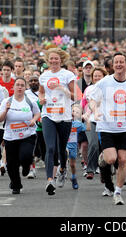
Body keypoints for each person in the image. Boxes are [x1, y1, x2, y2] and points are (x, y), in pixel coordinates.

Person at [90, 52, 126, 205]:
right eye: (116, 62)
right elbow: (92, 100)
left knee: (123, 160)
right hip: (107, 126)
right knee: (111, 159)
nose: (119, 64)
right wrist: (95, 111)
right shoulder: (105, 82)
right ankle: (102, 158)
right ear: (113, 65)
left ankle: (117, 192)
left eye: (122, 62)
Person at [38, 47, 77, 195]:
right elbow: (41, 92)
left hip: (65, 115)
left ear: (61, 60)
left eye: (56, 58)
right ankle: (49, 180)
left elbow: (75, 96)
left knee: (61, 148)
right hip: (48, 114)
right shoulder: (44, 75)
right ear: (47, 61)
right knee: (50, 148)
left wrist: (62, 88)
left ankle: (62, 169)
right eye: (51, 59)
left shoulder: (67, 75)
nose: (53, 61)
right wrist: (41, 99)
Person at [0, 77, 40, 194]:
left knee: (25, 156)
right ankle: (16, 184)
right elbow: (0, 119)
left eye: (22, 85)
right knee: (12, 163)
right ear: (14, 87)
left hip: (28, 134)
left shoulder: (29, 101)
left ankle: (27, 166)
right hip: (11, 136)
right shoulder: (7, 101)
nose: (20, 87)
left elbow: (37, 113)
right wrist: (6, 110)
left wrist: (33, 120)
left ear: (25, 87)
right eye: (18, 85)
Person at [82, 67, 107, 179]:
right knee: (93, 144)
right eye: (95, 76)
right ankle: (90, 169)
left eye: (99, 76)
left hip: (106, 120)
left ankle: (104, 170)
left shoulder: (108, 88)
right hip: (92, 120)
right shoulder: (89, 89)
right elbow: (87, 104)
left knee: (106, 146)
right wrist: (85, 115)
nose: (97, 78)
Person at [66, 104, 86, 189]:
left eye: (76, 112)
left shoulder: (78, 124)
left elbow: (88, 129)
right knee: (63, 155)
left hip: (73, 146)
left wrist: (87, 120)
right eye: (73, 111)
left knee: (72, 165)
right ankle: (61, 171)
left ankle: (73, 177)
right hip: (64, 145)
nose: (73, 113)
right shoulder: (61, 123)